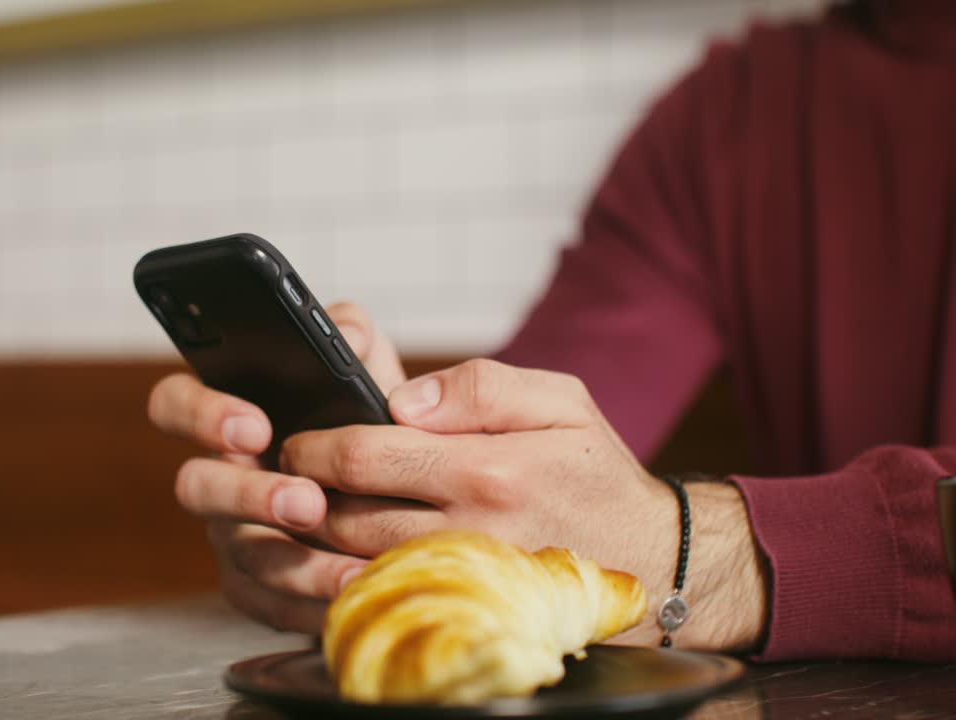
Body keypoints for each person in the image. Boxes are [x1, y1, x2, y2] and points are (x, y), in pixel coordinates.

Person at [147, 0, 956, 661]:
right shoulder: (728, 112)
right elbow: (538, 449)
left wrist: (708, 552)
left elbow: (633, 532)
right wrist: (396, 484)